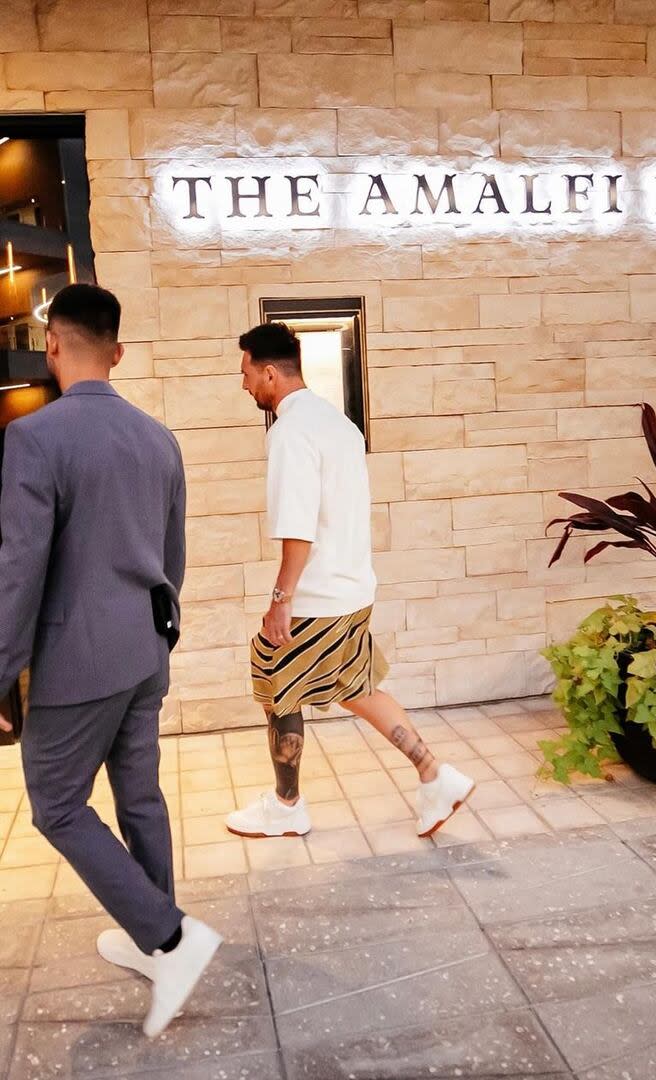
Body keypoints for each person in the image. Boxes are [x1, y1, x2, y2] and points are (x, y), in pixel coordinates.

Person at [0, 284, 221, 1038]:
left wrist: (1, 669)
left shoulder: (35, 438)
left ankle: (170, 938)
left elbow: (19, 569)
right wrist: (156, 633)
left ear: (52, 345)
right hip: (144, 647)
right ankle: (155, 938)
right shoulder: (159, 437)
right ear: (116, 351)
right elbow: (173, 560)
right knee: (139, 796)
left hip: (76, 659)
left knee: (58, 805)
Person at [226, 322, 475, 841]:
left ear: (270, 372)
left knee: (276, 680)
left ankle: (286, 805)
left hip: (317, 597)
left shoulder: (290, 432)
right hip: (353, 588)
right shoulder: (338, 424)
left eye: (247, 373)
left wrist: (280, 602)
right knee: (355, 686)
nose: (245, 384)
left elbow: (298, 529)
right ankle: (435, 775)